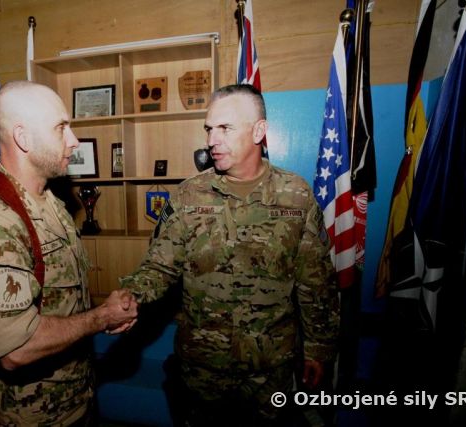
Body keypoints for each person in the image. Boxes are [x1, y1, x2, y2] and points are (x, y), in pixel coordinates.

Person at [120, 84, 339, 426]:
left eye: (225, 128)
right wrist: (129, 295)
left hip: (270, 367)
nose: (212, 140)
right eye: (209, 129)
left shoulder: (295, 196)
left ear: (259, 131)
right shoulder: (189, 195)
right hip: (203, 366)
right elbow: (159, 267)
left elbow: (316, 281)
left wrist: (318, 350)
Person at [0, 81, 138, 426]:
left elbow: (59, 298)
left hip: (75, 398)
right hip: (30, 416)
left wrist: (106, 313)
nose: (74, 140)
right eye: (61, 128)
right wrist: (100, 318)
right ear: (23, 137)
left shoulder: (51, 202)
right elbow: (15, 349)